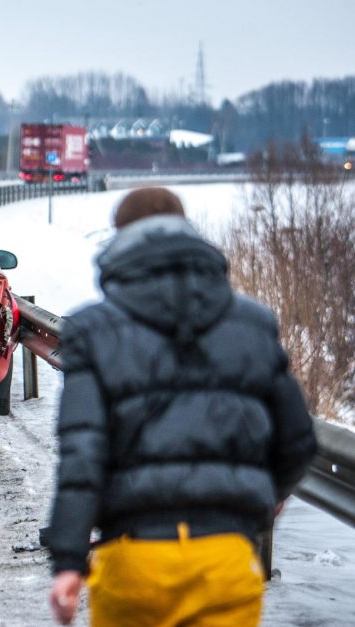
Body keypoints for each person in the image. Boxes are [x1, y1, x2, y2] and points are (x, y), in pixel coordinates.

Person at [46, 187, 317, 626]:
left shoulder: (93, 331)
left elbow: (82, 456)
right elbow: (298, 441)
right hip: (226, 558)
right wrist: (269, 498)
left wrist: (68, 563)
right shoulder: (252, 324)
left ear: (120, 241)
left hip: (133, 560)